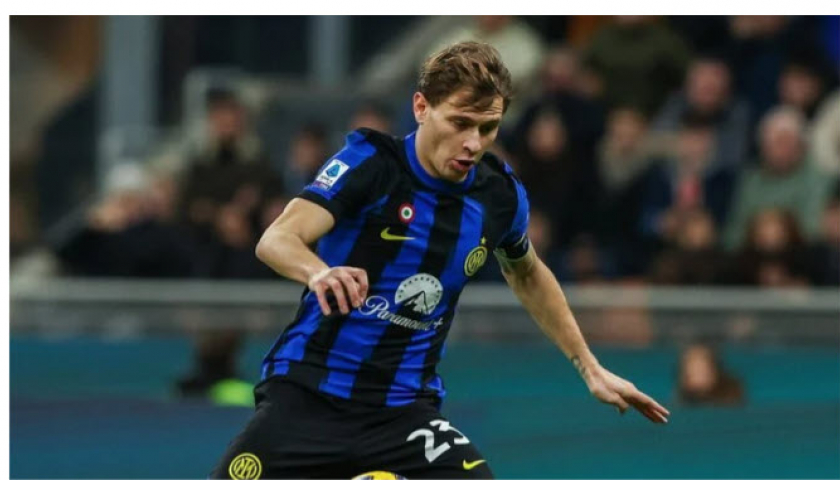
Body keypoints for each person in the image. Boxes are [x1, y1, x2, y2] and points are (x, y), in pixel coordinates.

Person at [210, 42, 669, 480]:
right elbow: (277, 238)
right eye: (460, 122)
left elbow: (527, 271)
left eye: (488, 128)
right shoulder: (371, 164)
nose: (473, 143)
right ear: (421, 107)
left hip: (403, 411)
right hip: (310, 395)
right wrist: (319, 272)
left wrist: (589, 366)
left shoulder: (500, 196)